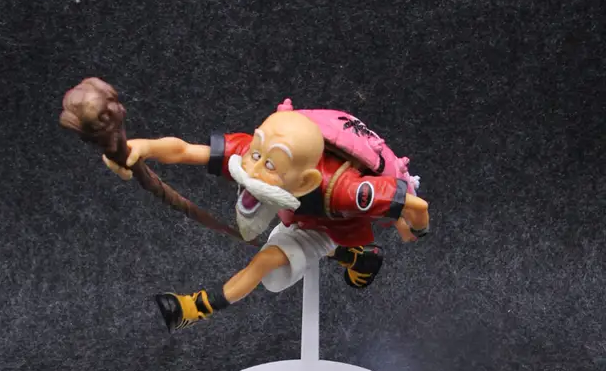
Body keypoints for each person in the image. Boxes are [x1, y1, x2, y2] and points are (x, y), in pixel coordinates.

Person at [103, 109, 430, 331]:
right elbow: (187, 151)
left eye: (270, 165)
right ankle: (357, 259)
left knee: (265, 261)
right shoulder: (258, 152)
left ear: (306, 180)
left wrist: (414, 228)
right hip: (296, 213)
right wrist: (142, 147)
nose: (253, 169)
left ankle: (192, 308)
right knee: (282, 250)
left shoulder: (343, 190)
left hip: (328, 223)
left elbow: (414, 203)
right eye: (256, 155)